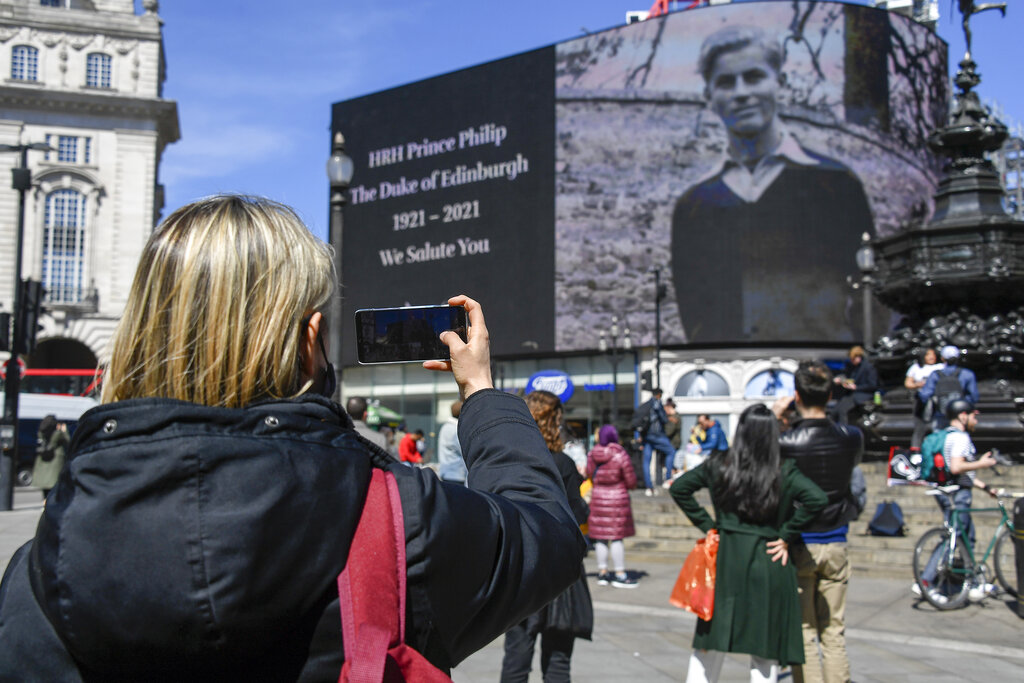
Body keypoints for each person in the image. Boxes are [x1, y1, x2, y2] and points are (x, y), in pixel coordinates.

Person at [0, 195, 586, 680]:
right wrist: (482, 396)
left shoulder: (41, 570)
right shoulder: (397, 518)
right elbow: (547, 533)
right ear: (311, 341)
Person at [671, 26, 873, 343]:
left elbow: (870, 294)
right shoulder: (694, 205)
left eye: (753, 77)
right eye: (726, 82)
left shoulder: (836, 183)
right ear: (708, 97)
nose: (740, 93)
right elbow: (694, 315)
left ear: (780, 83)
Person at [670, 404, 827, 683]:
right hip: (768, 558)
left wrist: (709, 527)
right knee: (764, 649)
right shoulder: (784, 470)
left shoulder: (719, 464)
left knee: (710, 641)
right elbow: (817, 498)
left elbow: (680, 488)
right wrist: (786, 533)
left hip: (726, 556)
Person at [775, 360, 863, 683]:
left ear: (796, 396)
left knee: (804, 630)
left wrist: (774, 418)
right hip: (836, 538)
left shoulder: (785, 442)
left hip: (799, 542)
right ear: (829, 397)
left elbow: (750, 455)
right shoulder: (851, 437)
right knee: (834, 630)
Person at [501, 390, 592, 683]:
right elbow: (577, 513)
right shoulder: (561, 463)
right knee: (557, 662)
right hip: (560, 571)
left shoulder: (507, 460)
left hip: (521, 570)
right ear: (553, 421)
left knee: (516, 658)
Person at [914, 398, 1002, 603]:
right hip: (957, 494)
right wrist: (982, 463)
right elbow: (956, 467)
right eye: (973, 416)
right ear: (963, 416)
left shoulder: (947, 436)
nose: (975, 421)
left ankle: (974, 582)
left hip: (947, 489)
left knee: (966, 538)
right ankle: (925, 581)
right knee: (952, 536)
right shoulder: (961, 438)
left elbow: (960, 472)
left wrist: (985, 487)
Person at [586, 424, 638, 589]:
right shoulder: (620, 454)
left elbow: (589, 473)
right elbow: (630, 480)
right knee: (616, 538)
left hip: (598, 497)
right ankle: (620, 574)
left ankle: (602, 572)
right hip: (617, 499)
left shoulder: (593, 453)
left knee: (600, 537)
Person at [918, 345, 979, 431]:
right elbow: (974, 397)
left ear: (942, 358)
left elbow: (924, 395)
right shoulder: (967, 374)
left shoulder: (935, 375)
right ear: (958, 358)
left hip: (940, 415)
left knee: (940, 441)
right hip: (960, 417)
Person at [637, 388, 674, 496]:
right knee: (671, 451)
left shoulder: (645, 405)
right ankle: (668, 478)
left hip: (646, 437)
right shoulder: (657, 404)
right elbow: (663, 419)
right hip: (656, 435)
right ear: (659, 395)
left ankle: (649, 487)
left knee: (646, 461)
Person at [904, 347, 943, 448]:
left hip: (937, 400)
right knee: (919, 426)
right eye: (928, 354)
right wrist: (918, 385)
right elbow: (908, 383)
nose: (931, 357)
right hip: (921, 400)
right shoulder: (916, 367)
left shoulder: (940, 367)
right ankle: (916, 449)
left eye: (933, 354)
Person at [830, 346, 879, 426]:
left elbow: (872, 385)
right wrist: (841, 380)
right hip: (851, 395)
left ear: (859, 357)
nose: (851, 361)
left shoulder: (868, 367)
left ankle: (844, 432)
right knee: (834, 411)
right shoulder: (852, 367)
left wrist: (856, 387)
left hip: (861, 395)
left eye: (853, 359)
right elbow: (847, 376)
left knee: (843, 410)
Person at [31, 414, 69, 497]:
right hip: (55, 459)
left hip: (43, 458)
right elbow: (68, 441)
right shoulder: (58, 433)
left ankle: (45, 501)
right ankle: (50, 502)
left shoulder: (41, 432)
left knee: (45, 485)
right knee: (54, 484)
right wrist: (64, 431)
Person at [437, 398, 467, 484]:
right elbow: (464, 450)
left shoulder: (445, 427)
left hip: (445, 471)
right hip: (456, 474)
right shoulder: (456, 429)